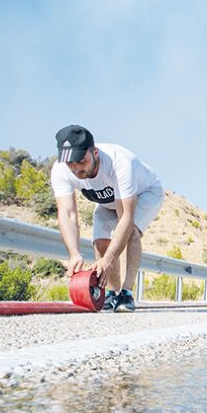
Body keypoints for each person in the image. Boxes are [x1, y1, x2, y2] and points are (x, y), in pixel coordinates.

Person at [50, 125, 164, 312]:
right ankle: (113, 292)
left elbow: (126, 217)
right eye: (70, 163)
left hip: (146, 193)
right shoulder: (60, 170)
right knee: (101, 242)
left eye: (81, 161)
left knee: (131, 231)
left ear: (95, 152)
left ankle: (126, 293)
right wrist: (74, 253)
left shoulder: (119, 163)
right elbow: (67, 213)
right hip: (108, 200)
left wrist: (109, 259)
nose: (76, 168)